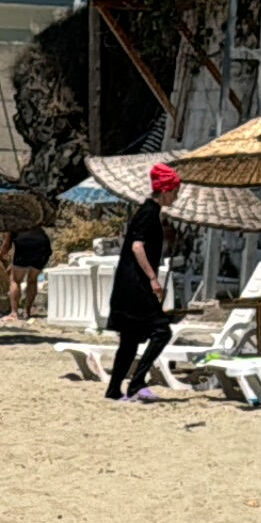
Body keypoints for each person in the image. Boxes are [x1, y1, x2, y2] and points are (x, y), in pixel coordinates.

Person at [103, 164, 180, 402]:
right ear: (165, 190)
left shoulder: (147, 212)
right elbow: (138, 247)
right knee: (162, 331)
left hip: (127, 286)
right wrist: (153, 278)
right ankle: (136, 384)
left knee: (129, 339)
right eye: (175, 191)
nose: (176, 196)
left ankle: (114, 390)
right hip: (137, 287)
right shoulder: (149, 213)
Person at [7, 220, 53, 319]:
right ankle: (27, 311)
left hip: (24, 246)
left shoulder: (14, 222)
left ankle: (14, 313)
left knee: (15, 280)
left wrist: (0, 254)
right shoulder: (37, 216)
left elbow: (7, 246)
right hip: (42, 247)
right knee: (32, 280)